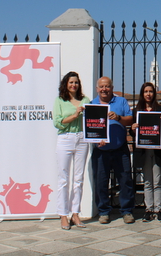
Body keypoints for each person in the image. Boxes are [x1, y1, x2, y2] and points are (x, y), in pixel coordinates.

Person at [90, 76, 135, 224]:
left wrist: (118, 118)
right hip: (100, 150)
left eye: (107, 86)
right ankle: (103, 211)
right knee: (101, 182)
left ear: (111, 87)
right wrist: (96, 140)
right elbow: (89, 128)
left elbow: (130, 119)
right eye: (101, 87)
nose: (104, 89)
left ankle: (127, 211)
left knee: (125, 181)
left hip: (119, 148)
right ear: (97, 89)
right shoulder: (92, 104)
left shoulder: (121, 101)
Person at [53, 71, 90, 230]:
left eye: (76, 82)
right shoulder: (60, 100)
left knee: (78, 178)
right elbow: (58, 122)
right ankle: (63, 214)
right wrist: (75, 115)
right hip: (65, 138)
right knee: (63, 178)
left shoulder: (85, 100)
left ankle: (75, 213)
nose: (73, 85)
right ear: (66, 84)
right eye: (71, 82)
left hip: (82, 139)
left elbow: (92, 120)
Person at [131, 82, 161, 222]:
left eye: (151, 91)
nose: (148, 94)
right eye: (146, 91)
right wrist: (133, 128)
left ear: (154, 93)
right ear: (142, 93)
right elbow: (132, 131)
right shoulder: (137, 111)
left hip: (157, 150)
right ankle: (148, 209)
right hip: (143, 150)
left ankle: (158, 209)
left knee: (157, 180)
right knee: (147, 181)